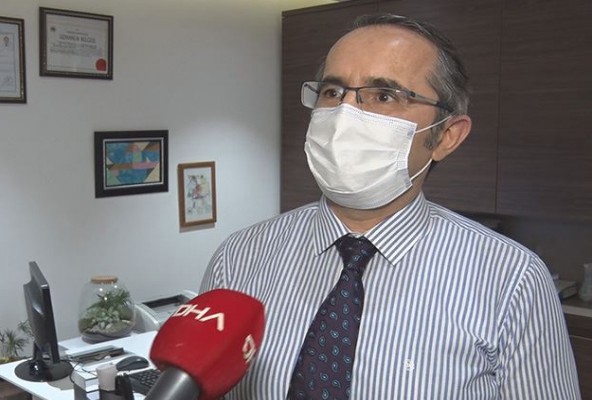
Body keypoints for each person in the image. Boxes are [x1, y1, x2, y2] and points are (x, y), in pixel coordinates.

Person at [199, 13, 580, 400]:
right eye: (332, 92)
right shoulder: (240, 257)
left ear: (446, 135)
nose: (345, 114)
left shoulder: (512, 280)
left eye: (384, 96)